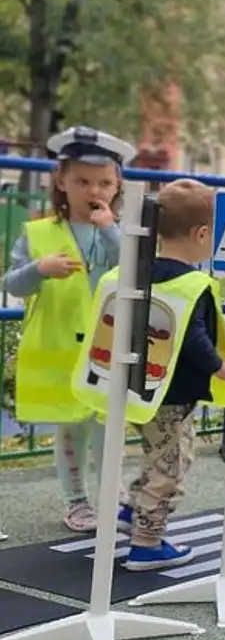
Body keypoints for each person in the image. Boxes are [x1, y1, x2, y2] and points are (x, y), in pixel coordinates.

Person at [100, 181, 225, 570]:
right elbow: (193, 338)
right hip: (173, 395)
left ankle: (131, 511)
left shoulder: (141, 274)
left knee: (155, 453)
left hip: (138, 387)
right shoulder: (191, 284)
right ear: (202, 234)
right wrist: (221, 367)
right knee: (171, 465)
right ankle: (147, 541)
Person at [5, 126, 127, 533]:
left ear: (117, 185)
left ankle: (113, 492)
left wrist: (109, 227)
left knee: (108, 425)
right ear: (61, 181)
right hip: (61, 348)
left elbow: (136, 268)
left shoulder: (122, 232)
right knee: (71, 428)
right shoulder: (38, 232)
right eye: (82, 181)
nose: (94, 189)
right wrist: (39, 270)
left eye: (105, 182)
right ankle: (77, 501)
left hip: (107, 345)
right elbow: (12, 284)